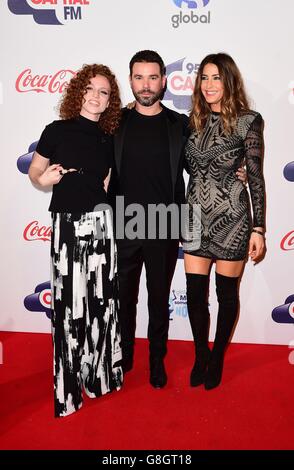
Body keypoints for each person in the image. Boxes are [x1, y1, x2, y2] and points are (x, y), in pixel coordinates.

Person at [108, 50, 247, 389]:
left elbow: (204, 164)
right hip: (124, 222)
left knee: (158, 298)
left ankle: (158, 361)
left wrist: (236, 172)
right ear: (130, 81)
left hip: (165, 222)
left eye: (152, 77)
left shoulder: (180, 125)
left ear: (163, 81)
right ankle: (125, 355)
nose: (145, 84)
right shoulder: (115, 123)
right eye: (139, 77)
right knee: (124, 298)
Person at [28, 64, 123, 417]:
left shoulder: (109, 137)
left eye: (105, 92)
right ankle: (68, 390)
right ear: (79, 91)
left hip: (101, 226)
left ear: (110, 100)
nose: (97, 96)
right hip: (67, 227)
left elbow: (108, 181)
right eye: (92, 89)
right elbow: (35, 172)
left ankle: (99, 377)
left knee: (101, 304)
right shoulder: (56, 130)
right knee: (69, 307)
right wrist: (45, 179)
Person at [183, 53, 266, 390]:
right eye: (204, 77)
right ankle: (201, 354)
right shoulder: (191, 120)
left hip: (232, 217)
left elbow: (256, 177)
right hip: (193, 215)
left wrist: (258, 227)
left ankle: (217, 357)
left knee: (226, 294)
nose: (209, 85)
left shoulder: (249, 120)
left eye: (216, 77)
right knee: (193, 292)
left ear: (229, 81)